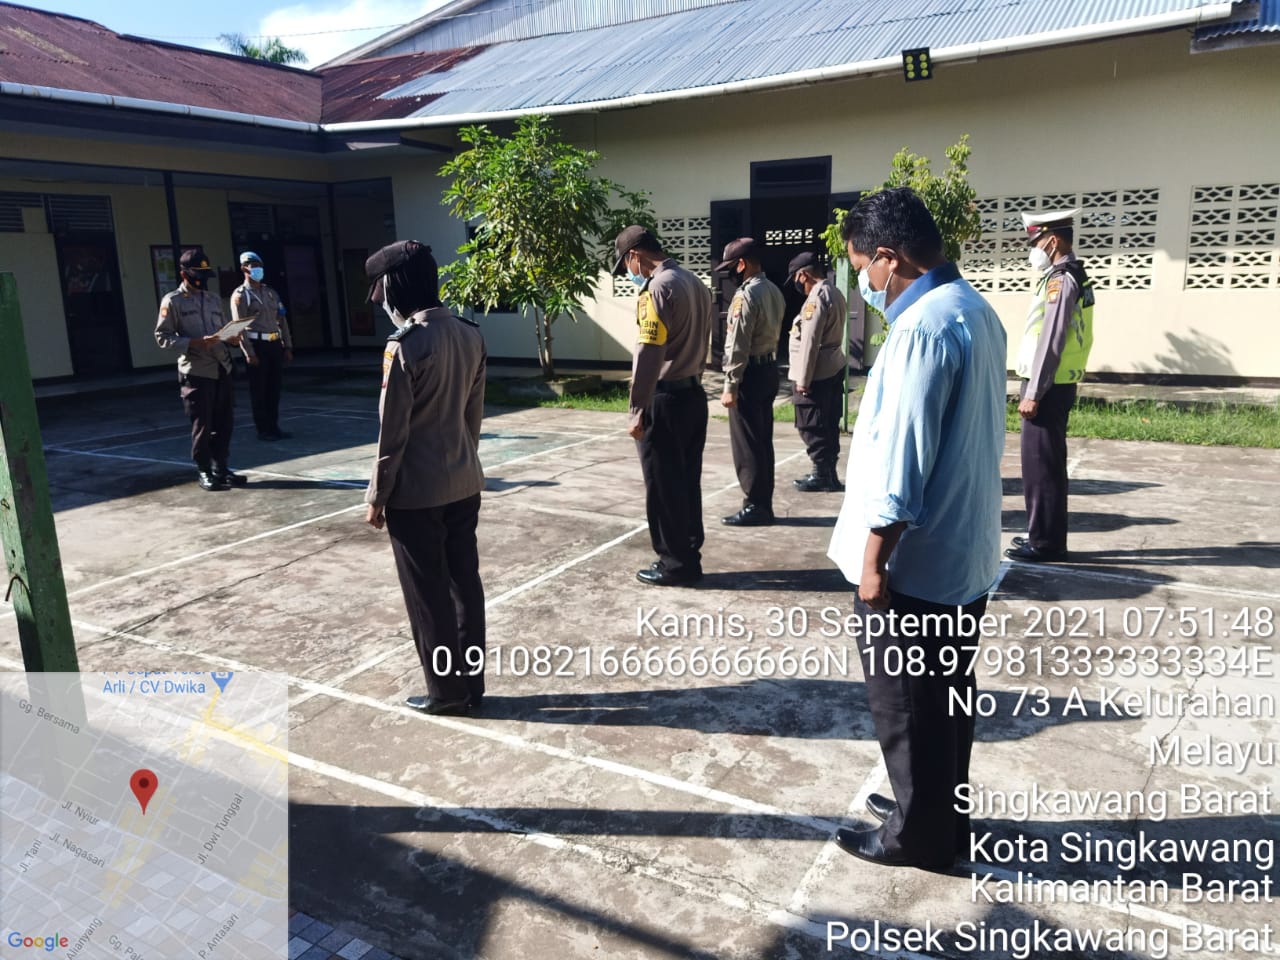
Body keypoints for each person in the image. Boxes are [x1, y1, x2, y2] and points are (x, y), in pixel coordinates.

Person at [827, 188, 1006, 870]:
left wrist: (874, 564)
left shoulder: (920, 330)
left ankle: (921, 837)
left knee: (907, 705)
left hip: (915, 566)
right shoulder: (974, 309)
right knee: (947, 700)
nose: (866, 286)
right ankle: (934, 811)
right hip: (963, 555)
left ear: (888, 257)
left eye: (863, 271)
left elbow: (902, 465)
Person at [363, 240, 487, 716]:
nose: (381, 302)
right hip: (464, 481)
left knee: (428, 594)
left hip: (417, 492)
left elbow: (392, 432)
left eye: (381, 290)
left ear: (395, 287)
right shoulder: (469, 334)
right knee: (464, 585)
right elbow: (473, 417)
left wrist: (378, 494)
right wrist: (462, 461)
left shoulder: (405, 345)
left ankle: (447, 692)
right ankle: (472, 684)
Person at [614, 225, 714, 586]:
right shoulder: (694, 282)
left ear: (634, 255)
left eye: (626, 265)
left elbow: (648, 351)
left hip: (666, 400)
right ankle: (688, 551)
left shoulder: (657, 288)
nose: (629, 272)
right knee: (686, 482)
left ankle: (675, 564)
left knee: (663, 485)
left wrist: (637, 409)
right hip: (694, 396)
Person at [1006, 209, 1095, 563]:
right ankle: (1045, 537)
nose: (1033, 250)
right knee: (1047, 464)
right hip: (1055, 384)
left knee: (1041, 467)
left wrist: (1033, 392)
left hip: (1048, 386)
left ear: (1053, 241)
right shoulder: (1066, 276)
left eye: (1036, 242)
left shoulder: (1062, 280)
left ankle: (1045, 543)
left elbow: (1051, 340)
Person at [154, 247, 248, 492]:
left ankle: (221, 467)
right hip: (197, 371)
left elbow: (222, 329)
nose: (202, 280)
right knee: (203, 424)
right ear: (184, 274)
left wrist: (232, 338)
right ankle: (204, 470)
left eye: (205, 275)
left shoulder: (213, 299)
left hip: (221, 366)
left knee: (224, 422)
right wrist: (193, 343)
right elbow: (162, 337)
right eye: (198, 275)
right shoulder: (173, 301)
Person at [718, 237, 785, 526]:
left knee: (747, 444)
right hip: (768, 369)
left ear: (742, 264)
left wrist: (730, 384)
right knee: (762, 441)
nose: (729, 274)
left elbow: (737, 344)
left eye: (731, 267)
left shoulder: (745, 296)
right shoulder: (773, 290)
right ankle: (763, 502)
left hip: (750, 375)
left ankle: (755, 504)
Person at [786, 251, 848, 493]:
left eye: (795, 278)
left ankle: (821, 473)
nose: (796, 284)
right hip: (831, 366)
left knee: (812, 424)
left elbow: (810, 341)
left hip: (816, 373)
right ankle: (828, 473)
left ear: (803, 275)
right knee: (829, 422)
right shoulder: (834, 291)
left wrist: (803, 379)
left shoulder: (816, 297)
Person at [231, 251, 294, 441]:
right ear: (244, 269)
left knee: (274, 388)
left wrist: (287, 345)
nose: (258, 269)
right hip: (256, 345)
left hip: (274, 342)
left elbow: (281, 319)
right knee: (259, 389)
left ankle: (274, 426)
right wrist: (248, 353)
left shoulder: (270, 292)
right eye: (253, 266)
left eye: (259, 266)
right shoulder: (241, 295)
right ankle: (263, 429)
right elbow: (239, 327)